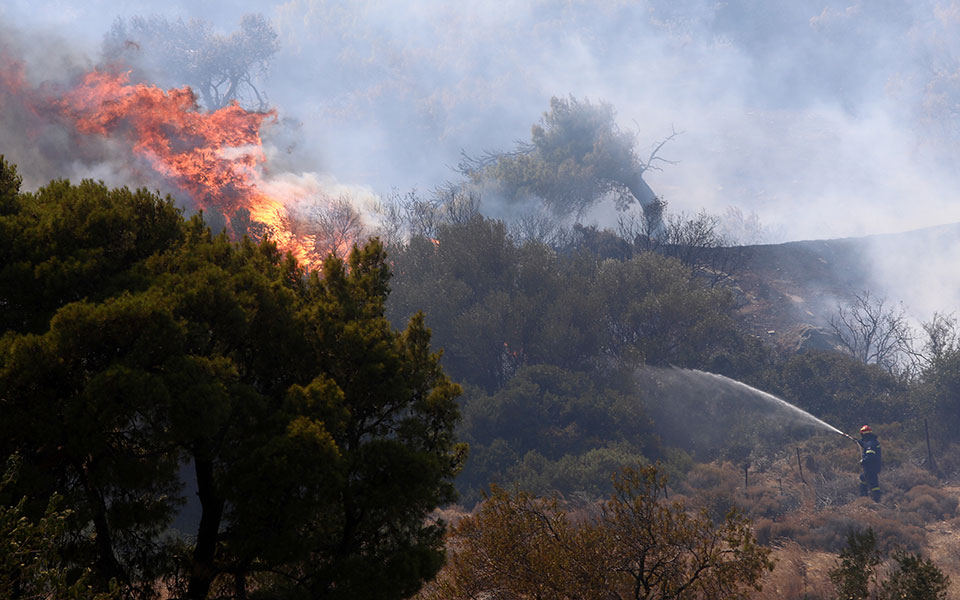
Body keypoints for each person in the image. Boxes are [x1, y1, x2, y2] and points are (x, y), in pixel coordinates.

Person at [857, 425, 882, 501]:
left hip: (870, 468)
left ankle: (876, 499)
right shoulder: (873, 441)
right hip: (873, 467)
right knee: (863, 479)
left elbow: (870, 456)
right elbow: (865, 445)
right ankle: (865, 497)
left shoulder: (870, 444)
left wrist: (863, 461)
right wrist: (857, 441)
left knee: (873, 484)